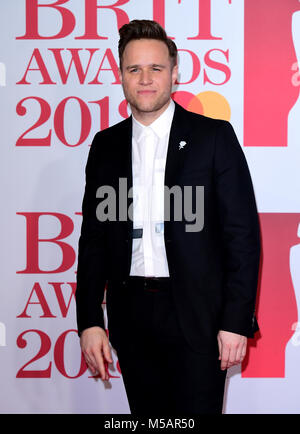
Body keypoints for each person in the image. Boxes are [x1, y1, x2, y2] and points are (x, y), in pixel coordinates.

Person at [75, 19, 261, 414]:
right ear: (120, 75)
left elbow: (241, 236)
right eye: (134, 69)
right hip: (131, 317)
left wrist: (236, 320)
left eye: (155, 68)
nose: (145, 79)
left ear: (174, 74)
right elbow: (92, 240)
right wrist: (90, 320)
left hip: (200, 317)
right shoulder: (105, 146)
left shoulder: (213, 138)